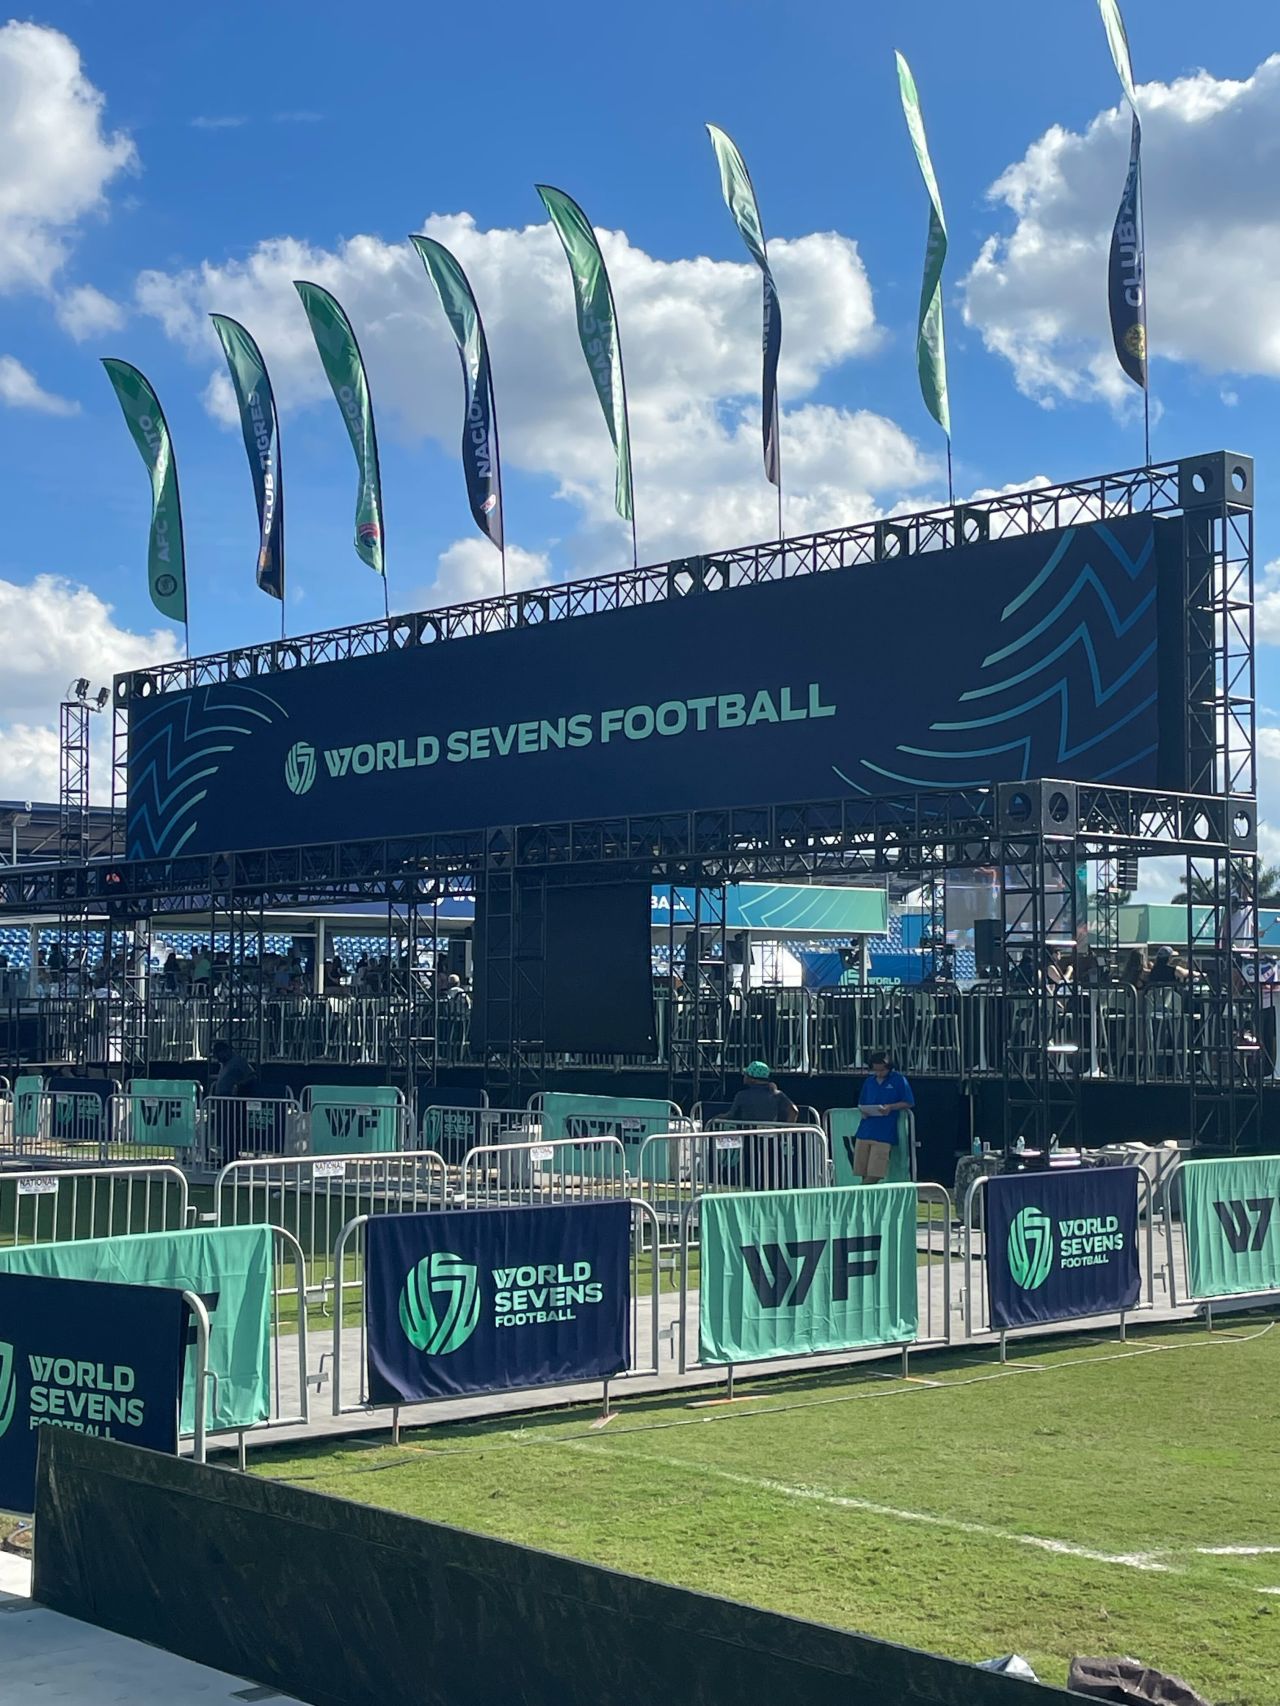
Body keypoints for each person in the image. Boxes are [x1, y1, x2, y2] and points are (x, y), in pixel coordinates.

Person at [854, 1052, 915, 1183]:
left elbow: (909, 1102)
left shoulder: (898, 1080)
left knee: (875, 1173)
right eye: (875, 1070)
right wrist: (863, 1111)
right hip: (864, 1131)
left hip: (884, 1133)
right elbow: (862, 1102)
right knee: (862, 1171)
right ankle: (865, 1199)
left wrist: (891, 1107)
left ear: (889, 1067)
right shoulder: (869, 1081)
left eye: (882, 1070)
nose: (879, 1073)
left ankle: (858, 1194)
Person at [726, 1061, 798, 1125]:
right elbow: (794, 1111)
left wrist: (716, 1118)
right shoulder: (777, 1094)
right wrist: (786, 1131)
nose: (744, 1076)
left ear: (752, 1079)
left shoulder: (741, 1095)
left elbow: (730, 1115)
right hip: (771, 1138)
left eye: (746, 1074)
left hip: (749, 1137)